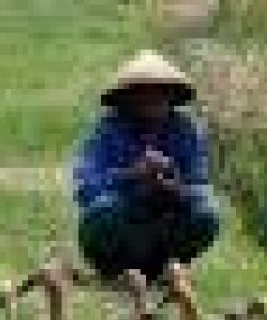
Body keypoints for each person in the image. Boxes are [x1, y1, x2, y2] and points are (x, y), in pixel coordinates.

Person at [73, 51, 221, 283]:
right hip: (125, 217)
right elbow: (86, 187)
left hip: (168, 218)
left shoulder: (186, 130)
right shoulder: (107, 130)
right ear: (129, 96)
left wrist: (172, 185)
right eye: (144, 92)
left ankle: (168, 268)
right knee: (100, 213)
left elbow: (199, 183)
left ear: (172, 95)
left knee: (207, 214)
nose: (153, 99)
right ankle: (116, 269)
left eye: (161, 92)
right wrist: (134, 174)